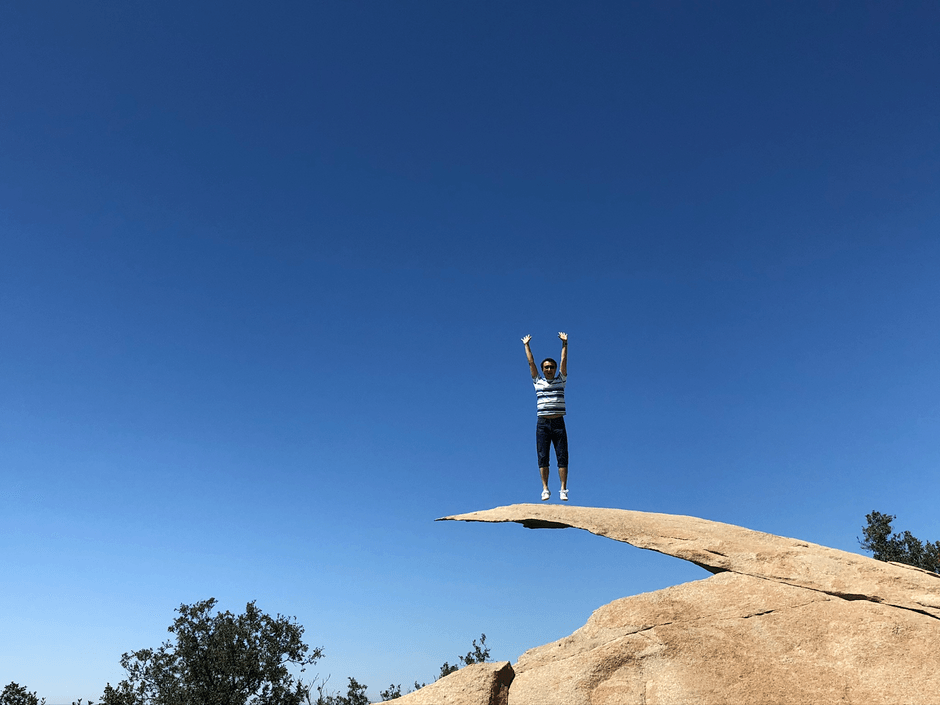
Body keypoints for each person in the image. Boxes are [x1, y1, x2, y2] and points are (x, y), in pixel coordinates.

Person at [522, 332, 568, 501]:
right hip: (542, 424)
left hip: (558, 422)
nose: (549, 369)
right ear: (542, 370)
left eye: (551, 367)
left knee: (562, 455)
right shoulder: (537, 382)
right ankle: (545, 488)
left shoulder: (560, 381)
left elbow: (563, 361)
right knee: (543, 456)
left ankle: (563, 489)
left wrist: (565, 344)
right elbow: (531, 362)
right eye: (546, 367)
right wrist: (526, 345)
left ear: (555, 370)